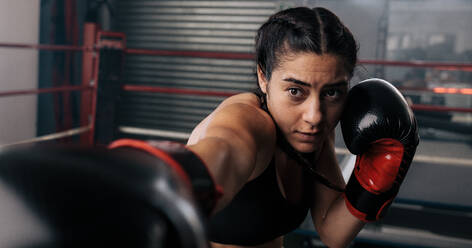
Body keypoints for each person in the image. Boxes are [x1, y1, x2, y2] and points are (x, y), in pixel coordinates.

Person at [109, 6, 419, 248]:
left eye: (332, 92)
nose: (314, 115)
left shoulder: (314, 132)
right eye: (295, 91)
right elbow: (223, 151)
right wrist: (157, 185)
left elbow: (332, 233)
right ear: (263, 78)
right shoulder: (247, 121)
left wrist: (376, 183)